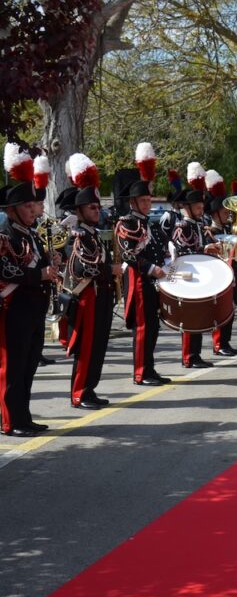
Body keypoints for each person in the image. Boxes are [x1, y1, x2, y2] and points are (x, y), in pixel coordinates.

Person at [0, 181, 59, 436]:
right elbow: (5, 270)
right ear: (12, 209)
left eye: (34, 204)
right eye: (28, 205)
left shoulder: (31, 233)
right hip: (14, 308)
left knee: (28, 365)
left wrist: (52, 262)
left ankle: (23, 417)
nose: (34, 209)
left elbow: (38, 265)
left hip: (34, 307)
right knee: (12, 367)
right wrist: (40, 274)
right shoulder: (5, 234)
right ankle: (10, 421)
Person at [66, 182, 122, 410]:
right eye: (92, 208)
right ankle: (79, 392)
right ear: (79, 211)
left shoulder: (94, 236)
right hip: (88, 298)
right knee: (87, 347)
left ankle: (90, 388)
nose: (97, 211)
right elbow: (82, 268)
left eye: (98, 208)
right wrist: (111, 271)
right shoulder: (77, 237)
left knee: (98, 346)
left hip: (103, 297)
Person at [116, 179, 171, 386]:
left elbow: (161, 250)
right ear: (133, 202)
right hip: (139, 281)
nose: (147, 204)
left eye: (149, 200)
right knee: (142, 328)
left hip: (153, 281)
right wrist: (151, 268)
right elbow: (128, 254)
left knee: (152, 327)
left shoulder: (150, 224)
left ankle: (149, 368)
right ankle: (141, 372)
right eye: (143, 200)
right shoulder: (126, 223)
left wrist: (167, 260)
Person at [172, 188, 222, 368]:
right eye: (198, 207)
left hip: (199, 277)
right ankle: (188, 356)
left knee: (199, 317)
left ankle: (196, 353)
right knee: (189, 318)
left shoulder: (198, 225)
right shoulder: (182, 227)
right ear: (188, 208)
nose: (202, 210)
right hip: (187, 277)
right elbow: (183, 253)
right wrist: (205, 250)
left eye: (202, 207)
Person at [207, 196, 237, 358]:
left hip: (229, 272)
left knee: (230, 309)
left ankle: (226, 342)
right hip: (217, 274)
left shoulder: (227, 229)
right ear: (215, 214)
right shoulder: (210, 232)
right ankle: (219, 343)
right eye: (224, 212)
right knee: (220, 310)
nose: (228, 214)